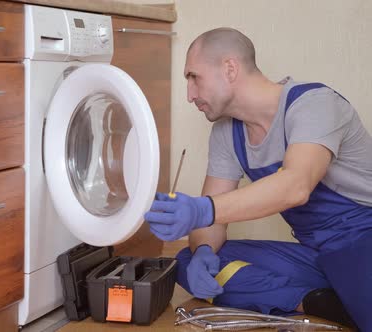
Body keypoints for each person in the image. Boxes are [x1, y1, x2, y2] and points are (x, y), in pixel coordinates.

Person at [144, 27, 372, 330]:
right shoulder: (227, 132)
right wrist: (202, 250)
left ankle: (344, 300)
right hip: (319, 256)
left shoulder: (315, 104)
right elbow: (209, 227)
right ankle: (321, 302)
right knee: (186, 261)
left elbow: (295, 186)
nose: (189, 95)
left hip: (362, 243)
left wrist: (200, 209)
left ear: (229, 69)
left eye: (193, 77)